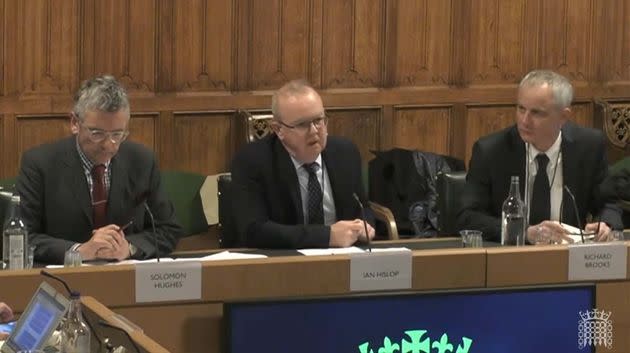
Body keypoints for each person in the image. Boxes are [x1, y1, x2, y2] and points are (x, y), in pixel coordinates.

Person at [17, 75, 182, 264]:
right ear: (74, 123)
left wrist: (128, 247)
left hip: (126, 279)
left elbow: (168, 229)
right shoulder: (40, 164)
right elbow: (22, 237)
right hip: (63, 279)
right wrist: (79, 250)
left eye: (117, 134)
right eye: (97, 133)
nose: (108, 144)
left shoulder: (142, 161)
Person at [457, 70, 623, 244]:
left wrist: (605, 224)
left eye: (537, 113)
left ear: (563, 116)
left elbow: (609, 204)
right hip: (509, 258)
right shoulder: (491, 151)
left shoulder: (589, 147)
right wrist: (525, 232)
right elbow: (467, 216)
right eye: (521, 109)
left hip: (569, 259)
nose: (524, 121)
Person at [231, 79, 375, 248]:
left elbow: (362, 207)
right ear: (278, 130)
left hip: (343, 258)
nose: (314, 131)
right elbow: (254, 230)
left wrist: (365, 226)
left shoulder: (345, 153)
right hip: (284, 262)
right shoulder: (252, 161)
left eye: (318, 120)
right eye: (302, 124)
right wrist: (327, 236)